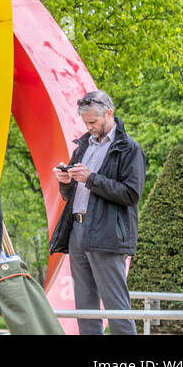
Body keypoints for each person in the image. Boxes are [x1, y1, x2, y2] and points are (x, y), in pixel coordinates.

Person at [49, 90, 145, 335]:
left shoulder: (129, 148)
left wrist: (91, 179)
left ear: (109, 113)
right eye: (85, 122)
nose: (89, 127)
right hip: (78, 231)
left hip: (108, 234)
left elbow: (131, 194)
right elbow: (71, 196)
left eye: (93, 121)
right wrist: (66, 181)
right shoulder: (83, 146)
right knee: (85, 306)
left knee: (116, 305)